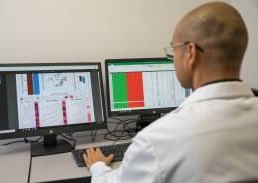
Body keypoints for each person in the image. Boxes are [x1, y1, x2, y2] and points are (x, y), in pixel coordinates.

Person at [83, 2, 258, 183]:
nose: (173, 58)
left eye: (174, 50)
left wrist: (97, 167)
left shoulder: (158, 140)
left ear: (191, 53)